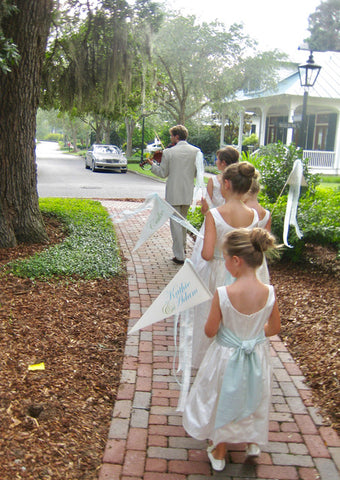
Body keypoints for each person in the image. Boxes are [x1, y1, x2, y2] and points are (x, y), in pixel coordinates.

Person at [182, 228, 281, 471]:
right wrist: (252, 336)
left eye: (225, 259)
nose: (224, 263)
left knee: (222, 397)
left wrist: (234, 335)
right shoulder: (269, 292)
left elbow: (210, 330)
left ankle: (220, 448)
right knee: (254, 394)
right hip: (256, 355)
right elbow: (274, 327)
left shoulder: (224, 293)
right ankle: (252, 441)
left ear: (236, 261)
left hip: (226, 355)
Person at [147, 125, 202, 265]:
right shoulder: (196, 151)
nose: (170, 138)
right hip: (187, 192)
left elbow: (162, 173)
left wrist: (152, 165)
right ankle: (182, 250)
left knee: (176, 225)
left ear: (177, 137)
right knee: (182, 222)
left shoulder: (169, 153)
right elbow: (197, 173)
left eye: (172, 136)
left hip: (173, 192)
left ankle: (180, 256)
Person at [201, 146, 240, 215]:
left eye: (217, 159)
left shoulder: (213, 180)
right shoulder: (241, 180)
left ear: (223, 163)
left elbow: (205, 209)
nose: (216, 162)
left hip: (216, 218)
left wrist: (203, 205)